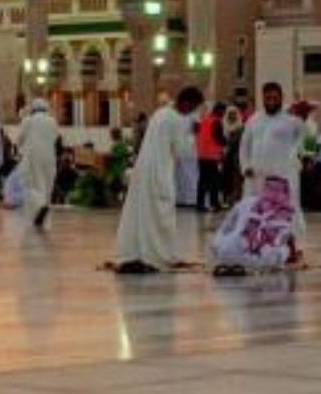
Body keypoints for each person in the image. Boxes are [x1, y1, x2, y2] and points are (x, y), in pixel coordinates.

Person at [112, 88, 202, 272]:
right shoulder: (176, 120)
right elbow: (182, 151)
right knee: (162, 212)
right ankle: (157, 252)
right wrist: (193, 134)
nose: (191, 111)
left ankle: (138, 250)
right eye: (192, 107)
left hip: (144, 170)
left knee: (144, 212)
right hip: (160, 171)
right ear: (186, 103)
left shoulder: (160, 113)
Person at [209, 164, 305, 273]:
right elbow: (292, 240)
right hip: (264, 260)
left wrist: (217, 245)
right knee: (280, 252)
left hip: (228, 251)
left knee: (229, 243)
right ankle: (246, 264)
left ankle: (234, 261)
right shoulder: (289, 211)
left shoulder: (247, 202)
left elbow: (226, 226)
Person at [13, 99, 63, 231]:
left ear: (33, 109)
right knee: (47, 182)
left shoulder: (28, 120)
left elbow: (19, 139)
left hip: (33, 155)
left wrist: (18, 150)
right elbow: (57, 138)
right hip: (49, 156)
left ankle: (40, 206)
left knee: (32, 183)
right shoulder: (52, 121)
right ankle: (44, 204)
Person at [192, 100, 227, 212]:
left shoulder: (204, 120)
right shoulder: (216, 122)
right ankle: (215, 204)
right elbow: (219, 139)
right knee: (214, 181)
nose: (224, 114)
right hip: (212, 156)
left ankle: (200, 204)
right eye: (224, 112)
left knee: (202, 180)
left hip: (201, 155)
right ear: (220, 110)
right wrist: (227, 142)